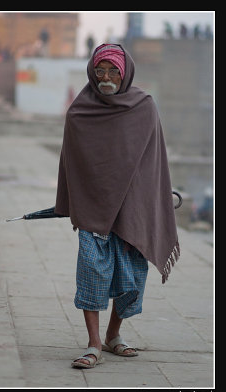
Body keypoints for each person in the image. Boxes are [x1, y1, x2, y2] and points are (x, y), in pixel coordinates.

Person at [54, 44, 180, 368]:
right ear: (92, 72)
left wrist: (150, 197)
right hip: (94, 206)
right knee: (92, 272)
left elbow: (153, 161)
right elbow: (73, 162)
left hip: (133, 205)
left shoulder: (144, 106)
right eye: (100, 70)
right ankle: (93, 343)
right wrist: (78, 198)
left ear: (125, 73)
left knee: (132, 277)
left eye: (113, 71)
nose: (106, 77)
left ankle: (113, 335)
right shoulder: (80, 110)